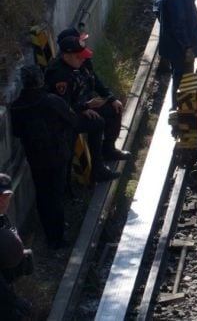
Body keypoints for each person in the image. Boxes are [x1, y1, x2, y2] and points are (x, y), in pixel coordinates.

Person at [44, 34, 128, 182]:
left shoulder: (80, 64)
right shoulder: (59, 76)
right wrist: (84, 107)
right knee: (97, 123)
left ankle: (108, 149)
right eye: (78, 57)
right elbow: (62, 107)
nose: (83, 59)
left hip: (84, 105)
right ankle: (97, 169)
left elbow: (95, 81)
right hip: (67, 117)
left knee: (113, 109)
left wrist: (111, 97)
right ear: (66, 56)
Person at [10, 65, 76, 249]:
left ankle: (49, 233)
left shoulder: (17, 106)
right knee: (56, 195)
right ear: (40, 80)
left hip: (35, 157)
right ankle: (58, 237)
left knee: (42, 194)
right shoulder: (52, 101)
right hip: (57, 154)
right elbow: (71, 119)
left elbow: (16, 132)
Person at [0, 174, 33, 318]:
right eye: (0, 197)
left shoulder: (3, 218)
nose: (3, 202)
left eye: (6, 197)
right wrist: (14, 300)